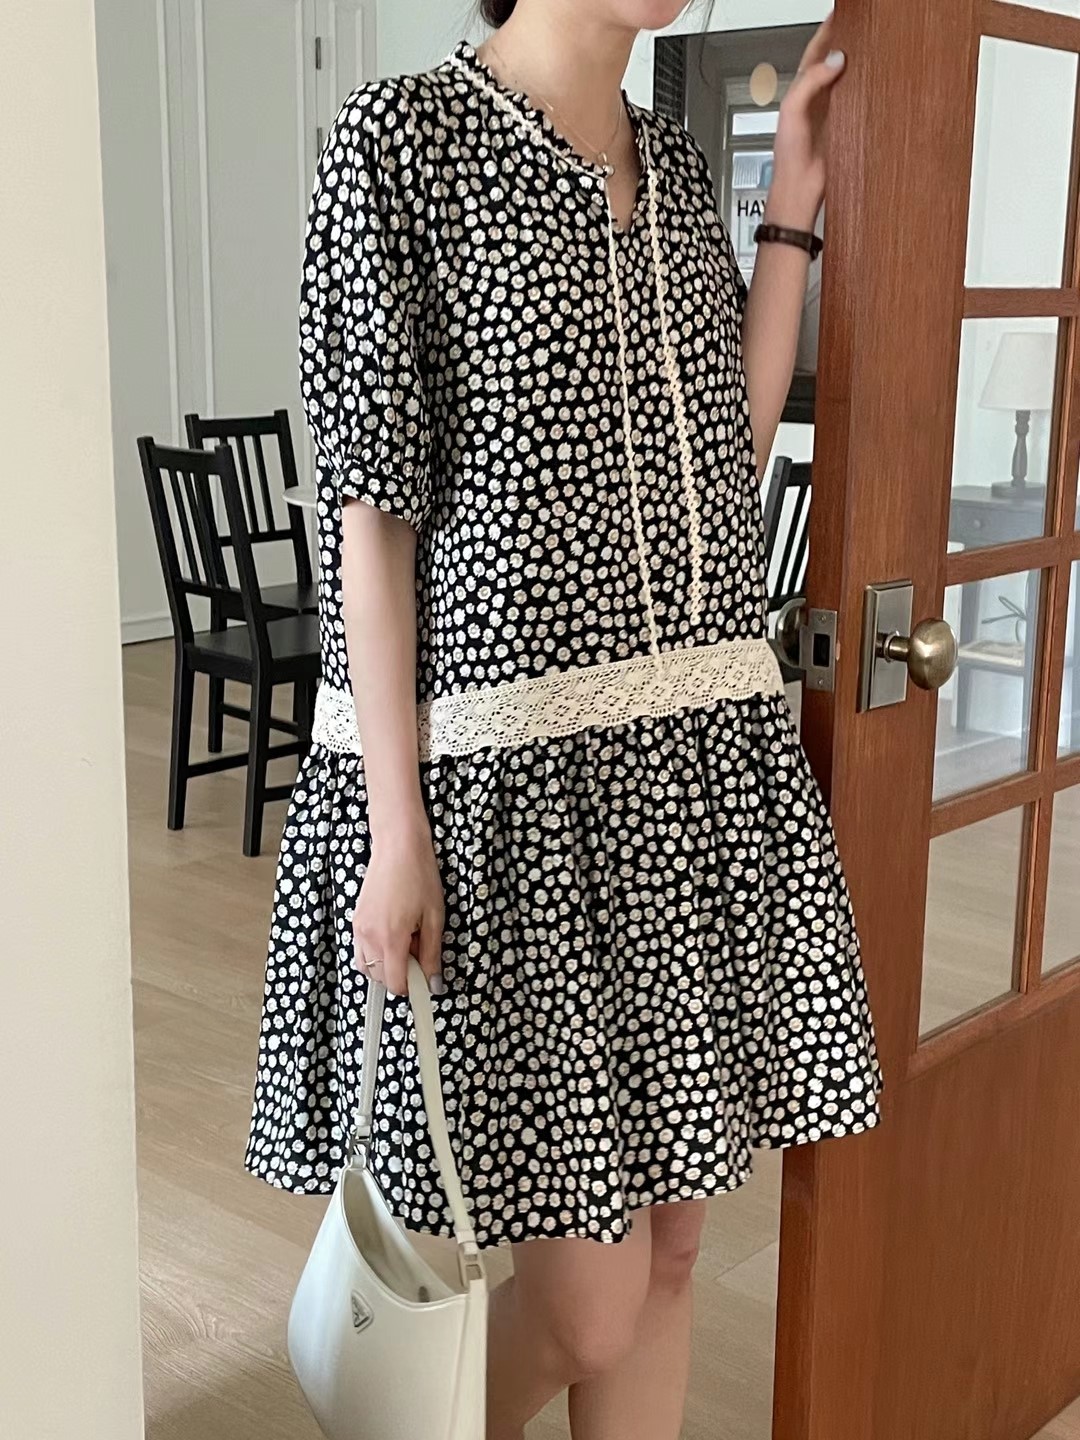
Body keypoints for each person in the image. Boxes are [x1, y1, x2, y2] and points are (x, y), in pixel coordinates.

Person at [244, 2, 883, 1435]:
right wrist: (395, 830)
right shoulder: (400, 141)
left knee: (673, 1254)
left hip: (686, 777)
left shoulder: (669, 162)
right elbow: (369, 522)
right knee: (587, 1301)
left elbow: (721, 443)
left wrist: (789, 208)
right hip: (506, 798)